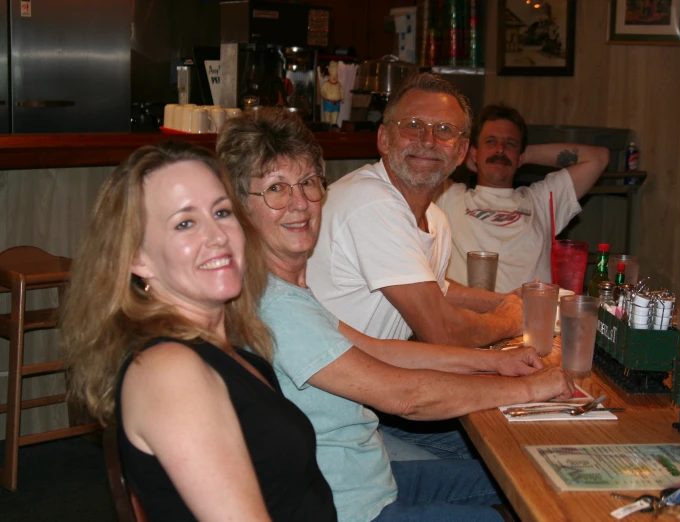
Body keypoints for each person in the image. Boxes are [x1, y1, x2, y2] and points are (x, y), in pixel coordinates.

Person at [216, 109, 575, 522]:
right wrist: (528, 390)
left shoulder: (283, 290)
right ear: (240, 208)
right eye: (276, 189)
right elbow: (407, 398)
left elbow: (379, 350)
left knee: (534, 476)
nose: (300, 204)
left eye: (308, 183)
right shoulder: (273, 305)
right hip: (347, 507)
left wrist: (496, 362)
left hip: (373, 481)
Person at [59, 141, 337, 522]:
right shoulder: (168, 372)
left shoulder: (236, 352)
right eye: (185, 223)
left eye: (222, 212)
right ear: (137, 257)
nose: (217, 236)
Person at [307, 73, 521, 348]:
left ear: (461, 151)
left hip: (372, 378)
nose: (428, 140)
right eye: (413, 125)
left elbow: (436, 292)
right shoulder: (371, 203)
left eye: (444, 130)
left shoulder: (435, 219)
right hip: (323, 387)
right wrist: (511, 320)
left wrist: (511, 301)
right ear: (384, 139)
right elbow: (443, 331)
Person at [435, 104, 610, 293]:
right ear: (474, 152)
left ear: (520, 157)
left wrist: (526, 154)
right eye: (491, 142)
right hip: (471, 316)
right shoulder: (447, 195)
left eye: (510, 144)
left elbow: (599, 158)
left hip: (531, 317)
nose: (500, 150)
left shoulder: (541, 199)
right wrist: (461, 156)